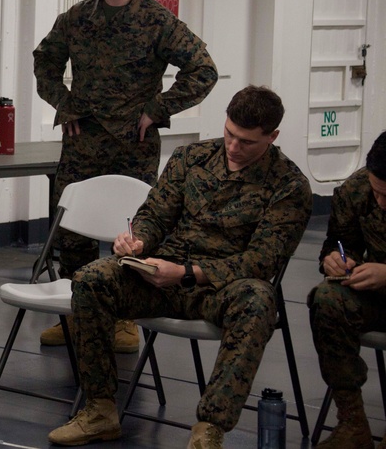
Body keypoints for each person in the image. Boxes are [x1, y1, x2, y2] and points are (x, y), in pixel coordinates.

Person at [47, 85, 312, 449]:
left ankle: (209, 430)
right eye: (230, 134)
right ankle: (100, 410)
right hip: (163, 277)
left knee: (259, 300)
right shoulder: (192, 158)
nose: (234, 147)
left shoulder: (289, 185)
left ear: (273, 137)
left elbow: (260, 261)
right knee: (93, 278)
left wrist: (188, 273)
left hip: (221, 289)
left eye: (247, 142)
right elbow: (155, 213)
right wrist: (138, 240)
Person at [33, 0, 217, 352]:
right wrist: (65, 103)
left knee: (132, 231)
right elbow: (44, 61)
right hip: (83, 141)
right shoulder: (78, 17)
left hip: (133, 145)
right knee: (72, 235)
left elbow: (203, 70)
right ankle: (73, 316)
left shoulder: (156, 21)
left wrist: (158, 109)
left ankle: (124, 320)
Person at [307, 130, 386, 449]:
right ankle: (352, 422)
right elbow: (338, 244)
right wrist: (336, 262)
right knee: (327, 298)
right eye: (377, 192)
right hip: (377, 298)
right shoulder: (356, 190)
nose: (380, 203)